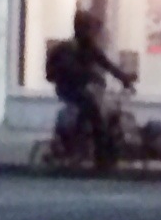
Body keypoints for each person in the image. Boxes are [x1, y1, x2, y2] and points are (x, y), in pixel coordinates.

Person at [49, 9, 137, 169]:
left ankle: (86, 142)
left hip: (80, 88)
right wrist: (91, 75)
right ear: (81, 29)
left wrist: (124, 79)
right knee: (93, 110)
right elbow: (72, 71)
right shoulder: (70, 49)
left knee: (98, 107)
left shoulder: (89, 47)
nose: (92, 34)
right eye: (89, 29)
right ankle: (99, 155)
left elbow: (107, 64)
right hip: (68, 88)